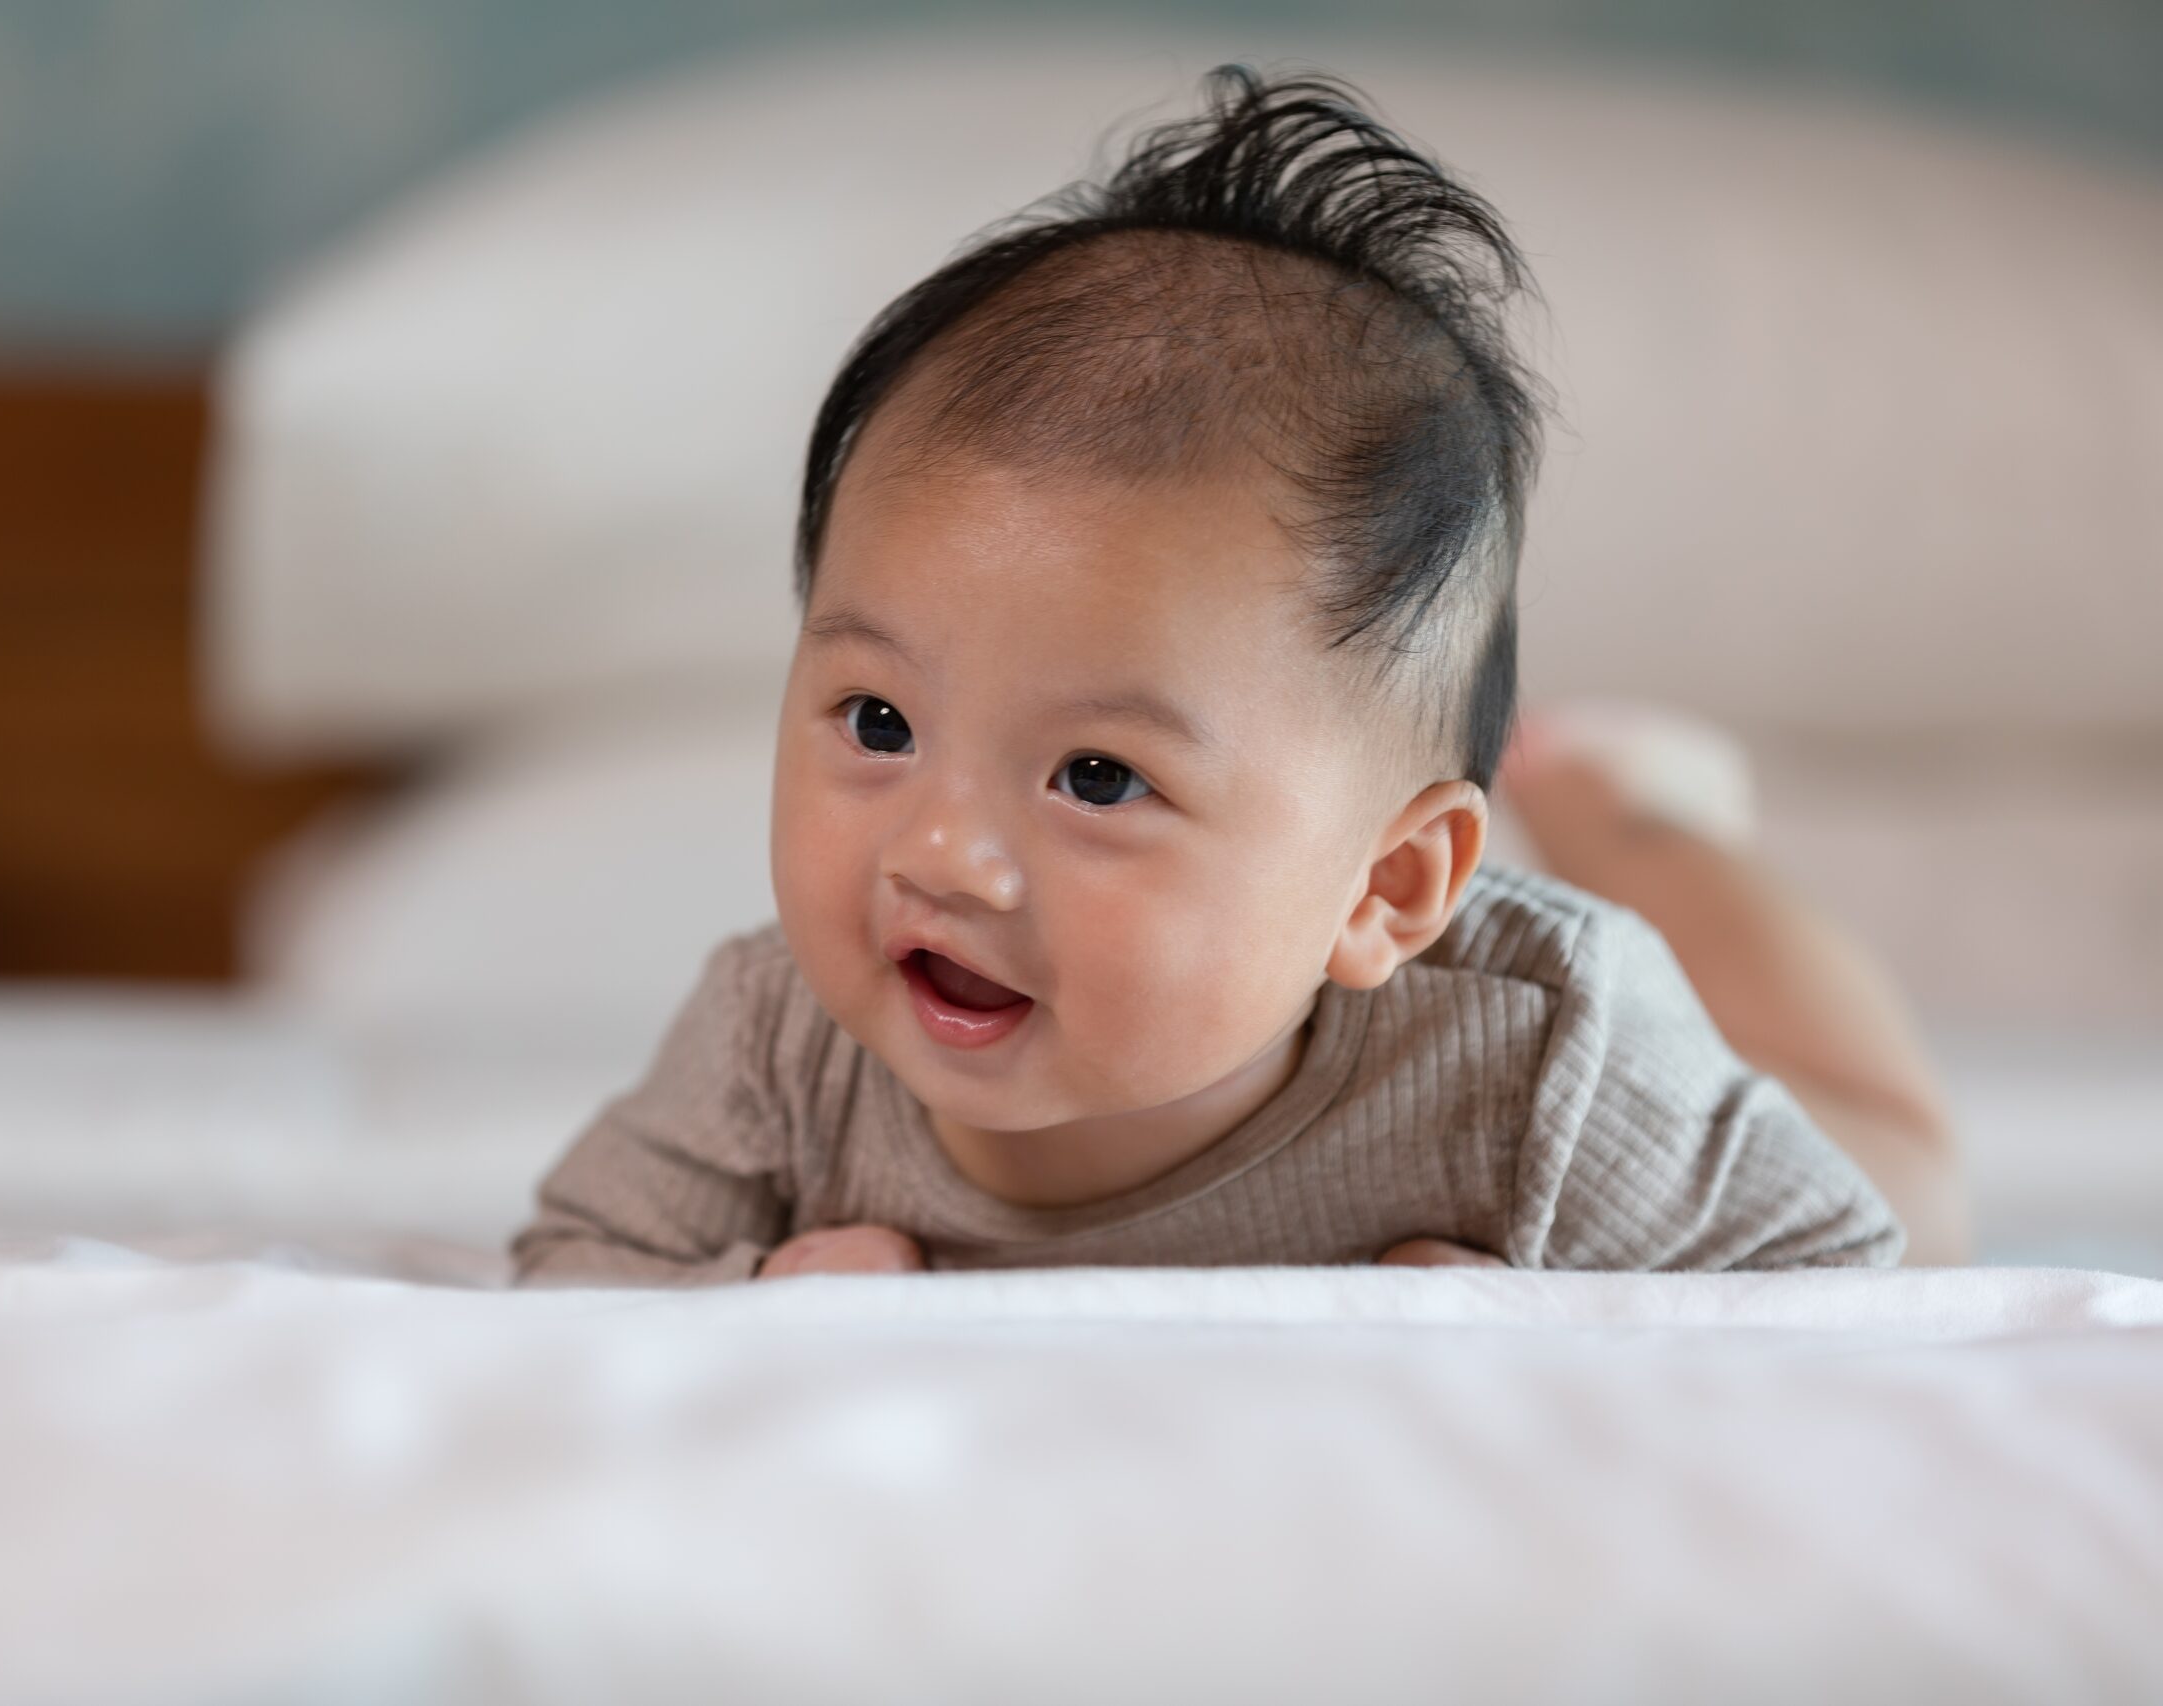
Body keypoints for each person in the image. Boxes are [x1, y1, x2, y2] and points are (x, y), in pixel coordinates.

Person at [511, 67, 1957, 1285]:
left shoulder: (1541, 1065)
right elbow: (574, 1266)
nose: (940, 852)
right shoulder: (775, 1044)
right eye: (880, 721)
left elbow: (1845, 1266)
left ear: (1383, 886)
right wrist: (746, 1297)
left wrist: (1547, 1332)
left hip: (1768, 1121)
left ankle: (1638, 812)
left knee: (1905, 1162)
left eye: (1097, 777)